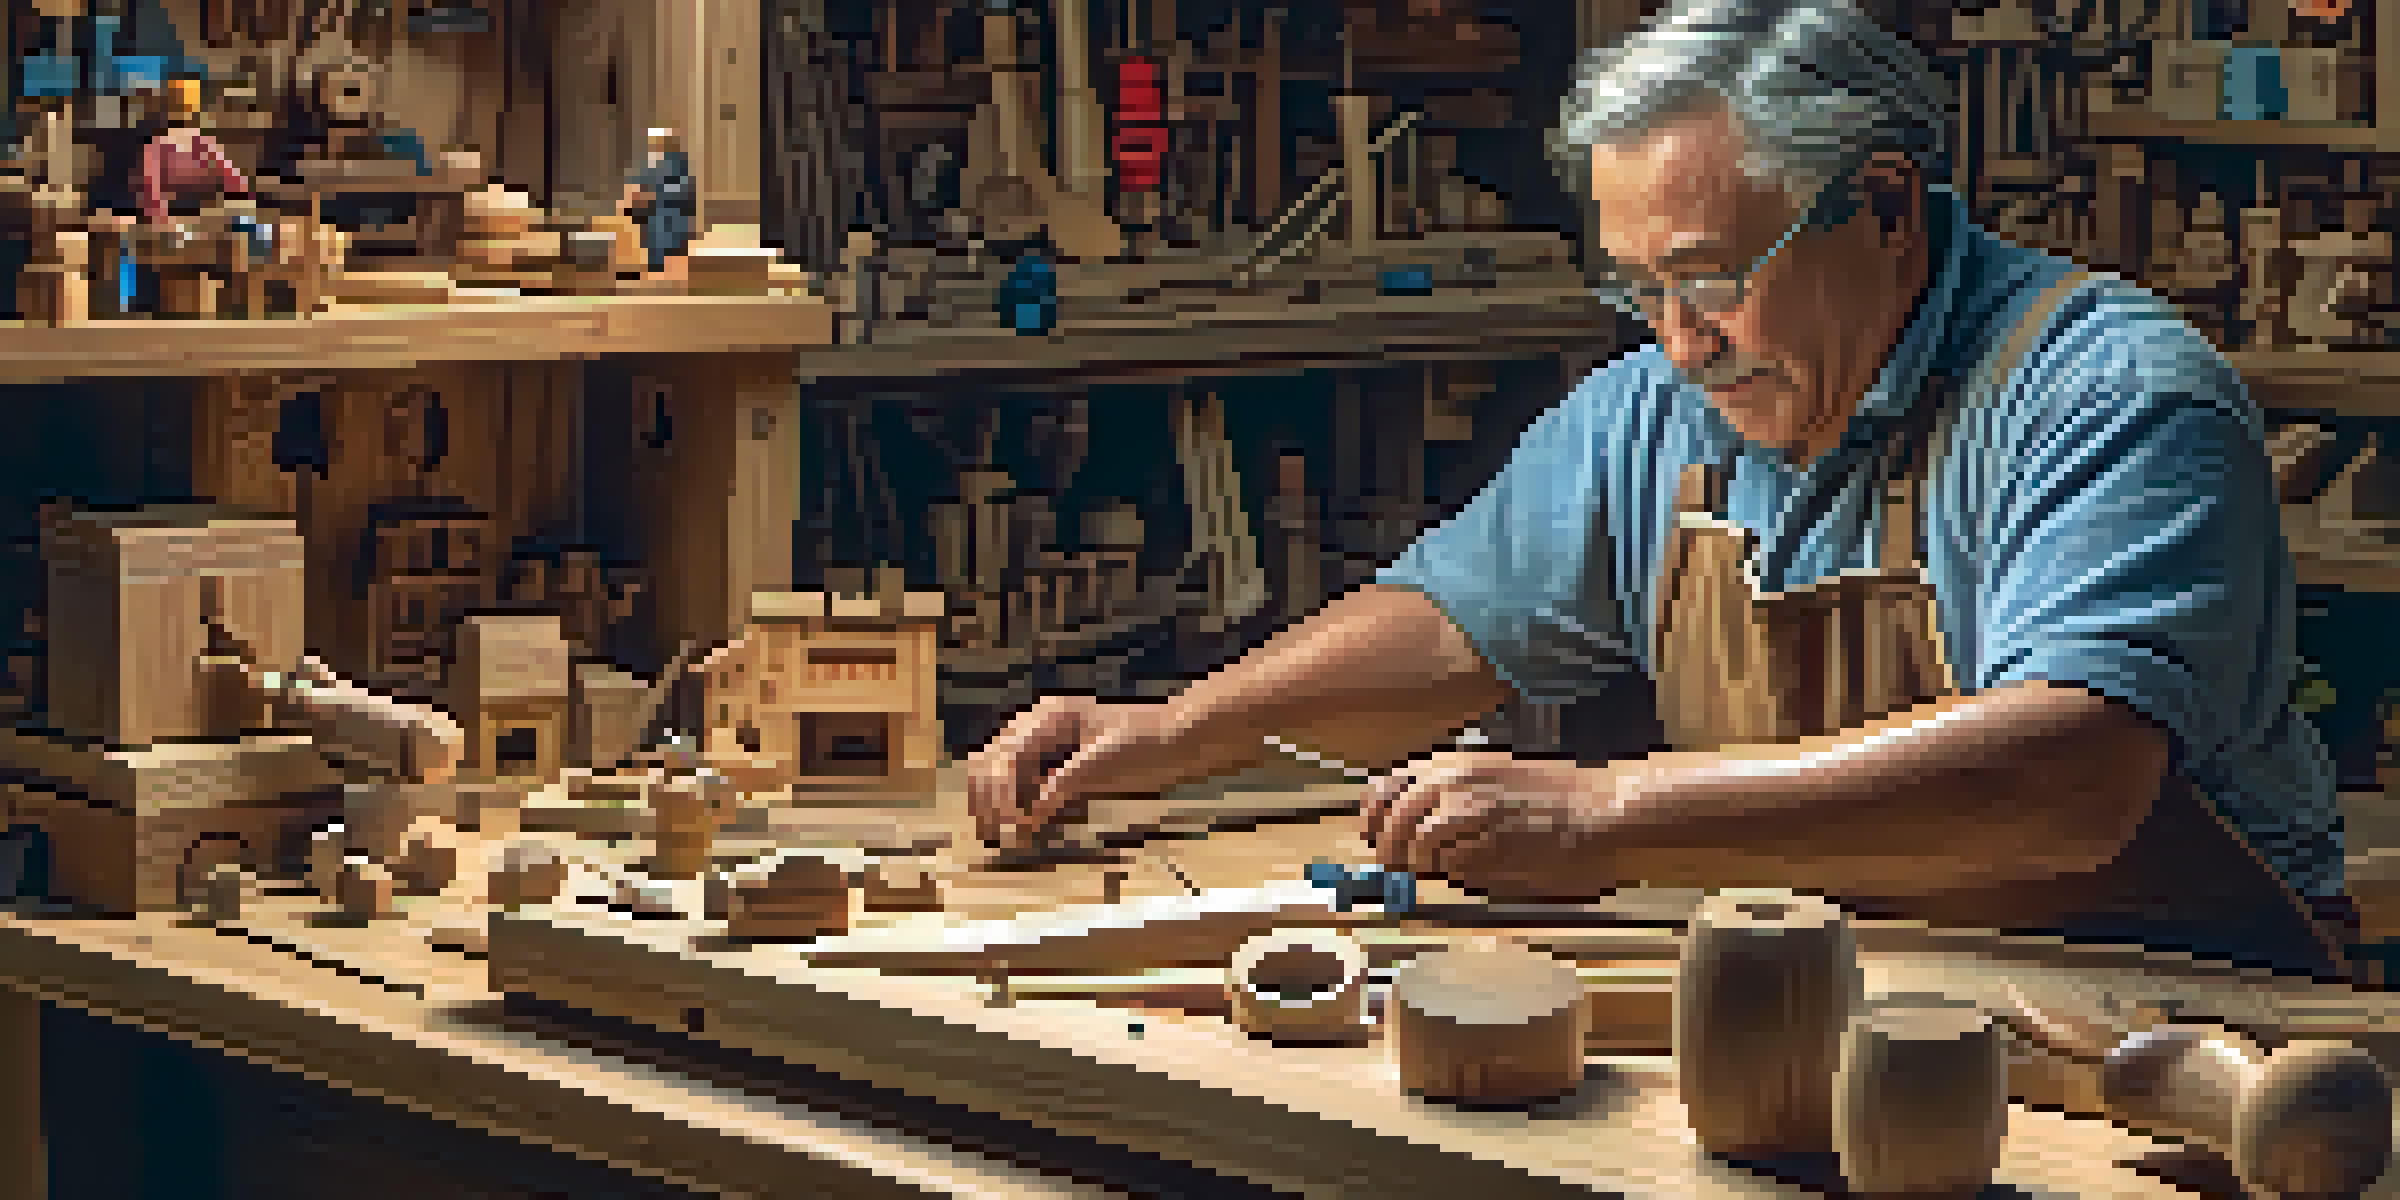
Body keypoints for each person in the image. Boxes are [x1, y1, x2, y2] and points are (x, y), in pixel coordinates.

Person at [966, 0, 2350, 976]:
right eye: (1642, 292)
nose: (1681, 341)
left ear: (1880, 205)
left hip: (2174, 1018)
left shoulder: (2106, 395)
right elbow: (1457, 621)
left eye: (1711, 280)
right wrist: (1175, 730)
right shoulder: (1664, 402)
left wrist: (1611, 815)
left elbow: (2075, 780)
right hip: (1860, 985)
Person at [620, 127, 695, 273]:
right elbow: (636, 182)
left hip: (668, 209)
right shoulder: (648, 161)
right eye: (653, 143)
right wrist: (631, 195)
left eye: (658, 142)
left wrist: (649, 196)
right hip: (650, 207)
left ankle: (659, 265)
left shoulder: (676, 163)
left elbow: (677, 190)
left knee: (660, 229)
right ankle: (645, 263)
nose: (654, 145)